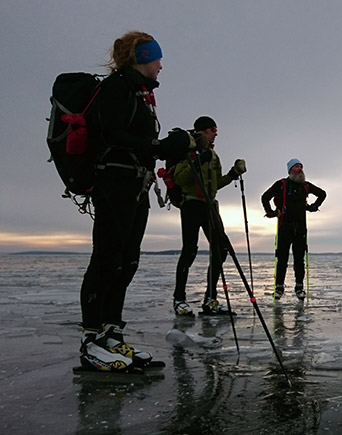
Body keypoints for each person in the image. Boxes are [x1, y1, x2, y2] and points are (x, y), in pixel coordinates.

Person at [79, 31, 195, 371]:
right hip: (115, 184)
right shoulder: (116, 88)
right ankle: (92, 339)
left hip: (135, 185)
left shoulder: (137, 93)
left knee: (127, 260)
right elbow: (113, 134)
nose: (161, 65)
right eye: (156, 58)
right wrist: (160, 148)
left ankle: (111, 332)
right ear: (141, 58)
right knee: (107, 258)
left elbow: (138, 139)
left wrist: (165, 145)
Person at [172, 116, 246, 316]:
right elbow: (179, 178)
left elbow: (214, 185)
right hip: (191, 204)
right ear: (203, 131)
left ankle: (210, 299)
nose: (216, 133)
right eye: (213, 129)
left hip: (210, 205)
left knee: (221, 250)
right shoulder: (188, 151)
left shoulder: (213, 156)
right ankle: (179, 299)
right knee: (189, 251)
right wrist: (197, 162)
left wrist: (232, 174)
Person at [261, 159, 327, 300]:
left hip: (301, 229)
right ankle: (279, 287)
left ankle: (299, 287)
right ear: (290, 170)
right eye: (297, 167)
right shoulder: (281, 184)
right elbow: (265, 197)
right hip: (284, 227)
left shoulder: (306, 186)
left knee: (299, 260)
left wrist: (313, 207)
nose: (300, 169)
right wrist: (271, 212)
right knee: (282, 259)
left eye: (301, 167)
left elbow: (322, 194)